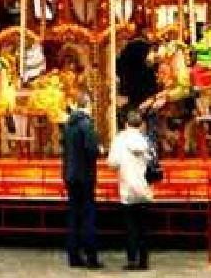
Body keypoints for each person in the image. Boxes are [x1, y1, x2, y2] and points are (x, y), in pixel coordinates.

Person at [107, 111, 153, 271]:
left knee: (130, 227)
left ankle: (132, 259)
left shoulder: (120, 140)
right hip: (143, 187)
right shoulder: (145, 140)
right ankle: (144, 260)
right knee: (143, 227)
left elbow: (112, 163)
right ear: (140, 125)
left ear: (126, 124)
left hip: (127, 187)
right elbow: (151, 161)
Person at [61, 92, 101, 269]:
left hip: (70, 174)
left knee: (73, 216)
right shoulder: (86, 124)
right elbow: (91, 149)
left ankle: (74, 256)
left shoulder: (68, 125)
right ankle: (91, 256)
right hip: (85, 175)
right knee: (88, 216)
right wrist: (99, 149)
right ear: (88, 104)